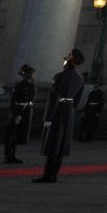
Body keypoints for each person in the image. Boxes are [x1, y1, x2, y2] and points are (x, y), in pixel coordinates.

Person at [35, 49, 86, 183]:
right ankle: (54, 174)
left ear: (67, 62)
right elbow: (78, 100)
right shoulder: (79, 79)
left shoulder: (59, 76)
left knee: (52, 143)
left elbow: (54, 98)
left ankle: (48, 175)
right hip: (69, 111)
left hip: (58, 111)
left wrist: (48, 118)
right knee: (62, 144)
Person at [3, 65, 36, 163]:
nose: (31, 75)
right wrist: (16, 114)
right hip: (18, 110)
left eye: (31, 73)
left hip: (25, 110)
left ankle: (12, 155)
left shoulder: (31, 85)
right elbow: (13, 100)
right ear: (24, 74)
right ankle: (7, 155)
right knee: (12, 134)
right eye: (29, 73)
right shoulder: (20, 85)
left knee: (18, 135)